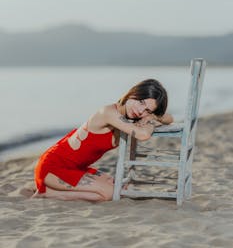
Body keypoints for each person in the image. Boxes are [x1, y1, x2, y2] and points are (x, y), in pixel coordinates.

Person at [33, 79, 173, 202]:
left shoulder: (129, 119)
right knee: (109, 194)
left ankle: (53, 190)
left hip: (77, 168)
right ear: (132, 93)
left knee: (121, 187)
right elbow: (143, 135)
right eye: (141, 102)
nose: (140, 111)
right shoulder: (108, 112)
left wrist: (151, 117)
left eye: (147, 110)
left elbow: (169, 118)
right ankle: (48, 193)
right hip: (53, 167)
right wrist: (150, 122)